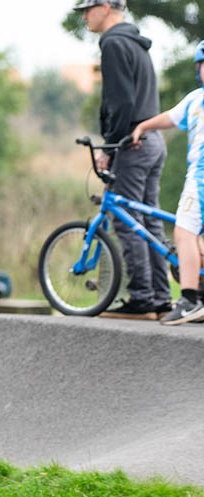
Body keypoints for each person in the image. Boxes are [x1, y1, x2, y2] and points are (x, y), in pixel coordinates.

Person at [75, 0, 171, 319]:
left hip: (133, 142)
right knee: (149, 221)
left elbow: (121, 101)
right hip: (153, 140)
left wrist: (110, 146)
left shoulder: (114, 43)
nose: (84, 15)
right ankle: (160, 297)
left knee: (126, 220)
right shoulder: (137, 43)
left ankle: (143, 299)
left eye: (88, 8)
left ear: (105, 7)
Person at [130, 41, 204, 325]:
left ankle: (188, 300)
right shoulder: (195, 99)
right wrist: (143, 126)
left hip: (200, 177)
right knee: (195, 239)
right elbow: (171, 117)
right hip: (196, 174)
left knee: (184, 234)